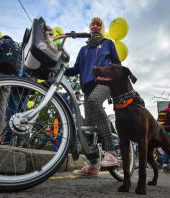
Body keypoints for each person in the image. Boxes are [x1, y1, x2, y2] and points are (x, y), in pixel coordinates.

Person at [65, 17, 121, 175]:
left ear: (101, 28)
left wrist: (117, 85)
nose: (95, 26)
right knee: (88, 127)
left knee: (96, 102)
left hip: (105, 81)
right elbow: (75, 69)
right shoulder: (83, 50)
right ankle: (93, 164)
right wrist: (61, 68)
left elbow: (117, 64)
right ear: (89, 27)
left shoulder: (109, 43)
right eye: (93, 24)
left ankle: (111, 152)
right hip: (87, 88)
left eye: (99, 25)